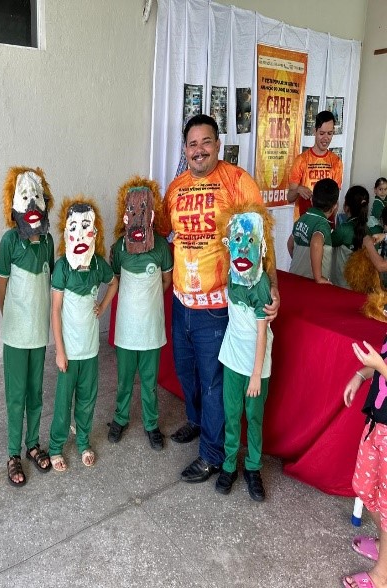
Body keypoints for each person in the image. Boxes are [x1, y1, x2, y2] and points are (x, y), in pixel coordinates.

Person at [162, 114, 280, 484]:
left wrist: (273, 287)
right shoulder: (176, 188)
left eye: (206, 142)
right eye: (192, 144)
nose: (199, 150)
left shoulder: (237, 182)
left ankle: (212, 455)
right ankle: (197, 421)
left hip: (216, 307)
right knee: (187, 372)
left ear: (218, 144)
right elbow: (162, 230)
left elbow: (262, 240)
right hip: (181, 302)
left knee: (213, 382)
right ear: (185, 149)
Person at [49, 197, 118, 472]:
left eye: (85, 227)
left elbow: (113, 282)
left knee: (87, 399)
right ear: (66, 232)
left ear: (95, 232)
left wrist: (103, 305)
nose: (79, 235)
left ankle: (83, 441)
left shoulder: (98, 265)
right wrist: (60, 351)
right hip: (69, 351)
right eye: (74, 228)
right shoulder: (62, 268)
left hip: (90, 349)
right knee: (63, 402)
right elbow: (55, 310)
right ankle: (56, 446)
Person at [0, 167, 54, 486]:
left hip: (38, 333)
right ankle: (12, 453)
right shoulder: (9, 241)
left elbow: (50, 281)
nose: (32, 203)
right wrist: (11, 318)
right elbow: (1, 285)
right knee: (16, 395)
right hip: (16, 335)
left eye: (37, 196)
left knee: (36, 391)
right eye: (25, 197)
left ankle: (32, 444)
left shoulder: (48, 241)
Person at [107, 177, 173, 451]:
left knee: (149, 380)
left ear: (152, 214)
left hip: (151, 328)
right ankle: (120, 418)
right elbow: (114, 280)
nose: (137, 216)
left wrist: (149, 301)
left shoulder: (161, 247)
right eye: (132, 210)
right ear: (124, 214)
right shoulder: (118, 249)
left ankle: (151, 423)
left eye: (143, 210)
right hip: (126, 328)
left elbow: (167, 280)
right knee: (124, 379)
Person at [214, 207, 274, 502]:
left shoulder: (261, 285)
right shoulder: (232, 274)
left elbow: (262, 334)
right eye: (237, 240)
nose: (243, 247)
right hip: (232, 358)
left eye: (250, 241)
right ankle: (229, 465)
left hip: (255, 365)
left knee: (253, 417)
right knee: (232, 414)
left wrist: (256, 375)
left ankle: (252, 467)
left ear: (260, 246)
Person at [342, 337, 387, 588]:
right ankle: (385, 545)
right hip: (377, 423)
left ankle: (382, 577)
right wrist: (361, 374)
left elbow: (383, 365)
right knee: (364, 488)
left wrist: (379, 366)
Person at [287, 110, 343, 221]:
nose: (326, 138)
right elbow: (290, 198)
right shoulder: (301, 160)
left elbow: (335, 200)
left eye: (329, 133)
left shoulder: (336, 162)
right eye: (322, 133)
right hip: (304, 221)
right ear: (315, 131)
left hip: (325, 223)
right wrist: (298, 190)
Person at [287, 178, 339, 284]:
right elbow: (316, 243)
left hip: (294, 277)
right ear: (334, 206)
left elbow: (290, 244)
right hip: (311, 284)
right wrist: (318, 277)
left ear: (311, 200)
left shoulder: (302, 219)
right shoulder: (322, 224)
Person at [331, 185, 370, 288]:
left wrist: (332, 214)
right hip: (359, 285)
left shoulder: (344, 229)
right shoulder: (367, 229)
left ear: (346, 207)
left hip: (341, 285)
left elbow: (327, 242)